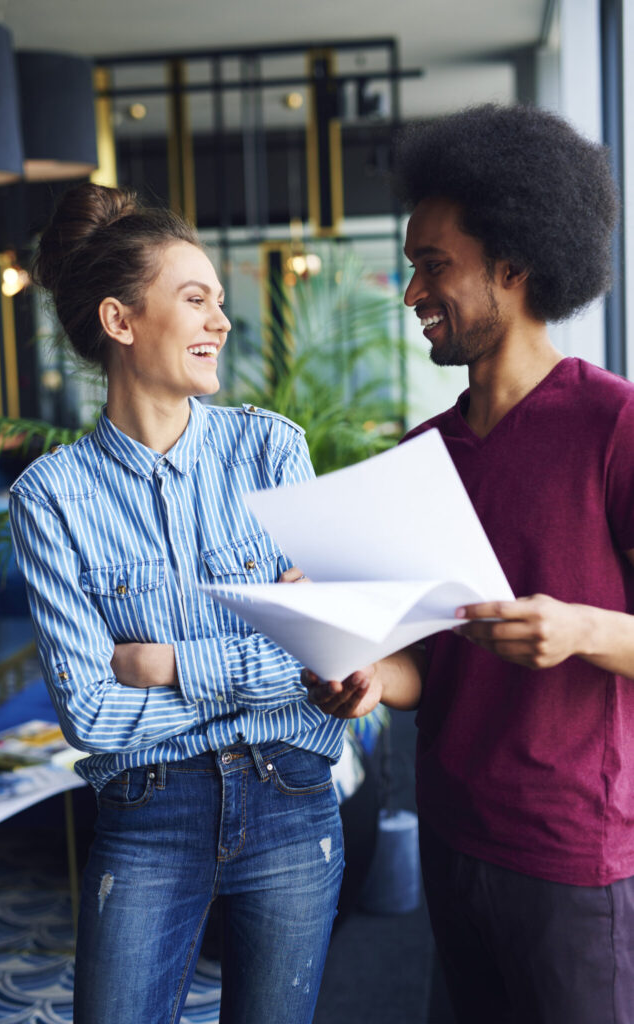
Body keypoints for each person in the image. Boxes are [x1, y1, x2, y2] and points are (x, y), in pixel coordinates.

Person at [303, 103, 634, 1024]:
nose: (410, 293)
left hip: (572, 858)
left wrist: (580, 630)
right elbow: (426, 660)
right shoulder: (424, 451)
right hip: (455, 840)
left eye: (431, 265)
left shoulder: (615, 426)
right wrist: (368, 677)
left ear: (514, 268)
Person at [9, 182, 345, 1024]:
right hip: (147, 814)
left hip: (291, 800)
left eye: (219, 302)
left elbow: (327, 652)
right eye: (195, 300)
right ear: (121, 323)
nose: (221, 322)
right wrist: (267, 667)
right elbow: (89, 710)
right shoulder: (48, 497)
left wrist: (162, 665)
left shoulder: (272, 448)